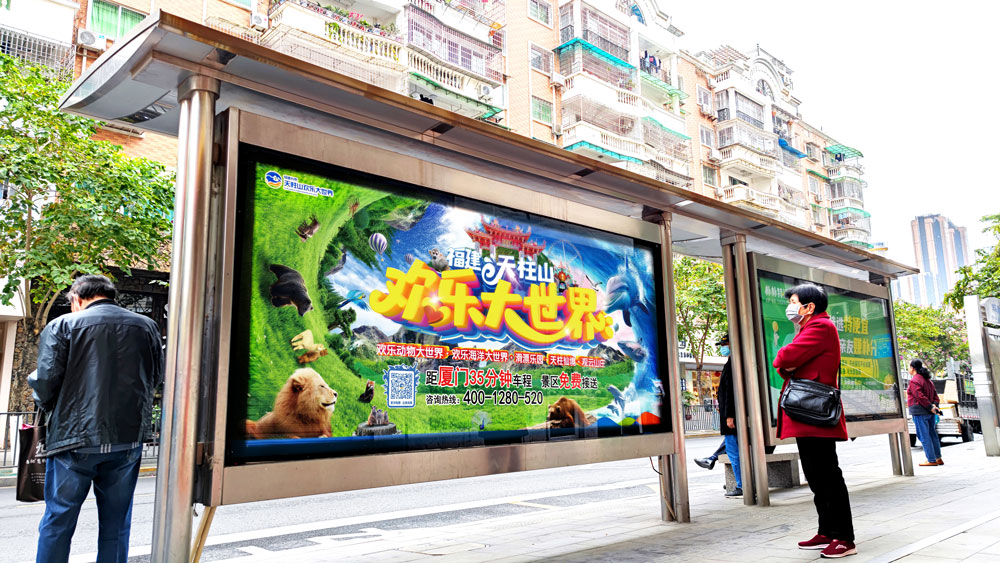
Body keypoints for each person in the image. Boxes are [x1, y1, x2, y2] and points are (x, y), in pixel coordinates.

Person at [29, 275, 164, 563]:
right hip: (126, 438)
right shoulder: (146, 326)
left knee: (58, 521)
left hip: (73, 440)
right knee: (117, 524)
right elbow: (155, 378)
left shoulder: (63, 325)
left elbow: (45, 383)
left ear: (77, 299)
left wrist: (51, 407)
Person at [774, 283, 855, 559]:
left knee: (827, 475)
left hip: (815, 413)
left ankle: (844, 538)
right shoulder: (809, 328)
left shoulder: (820, 327)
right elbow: (786, 367)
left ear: (809, 307)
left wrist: (788, 362)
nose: (790, 307)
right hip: (807, 413)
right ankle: (827, 531)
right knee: (816, 476)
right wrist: (788, 364)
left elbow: (785, 357)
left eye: (794, 302)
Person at [907, 359, 943, 467]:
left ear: (912, 368)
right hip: (929, 412)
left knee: (924, 435)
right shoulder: (928, 380)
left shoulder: (914, 380)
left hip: (920, 412)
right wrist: (934, 406)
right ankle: (938, 458)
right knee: (932, 434)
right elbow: (935, 396)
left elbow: (919, 396)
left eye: (909, 367)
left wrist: (930, 407)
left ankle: (931, 460)